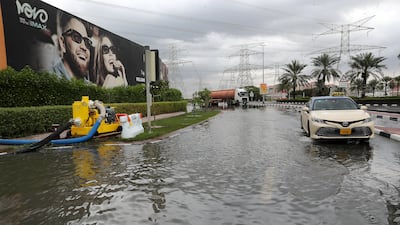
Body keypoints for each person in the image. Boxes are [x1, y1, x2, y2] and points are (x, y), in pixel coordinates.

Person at [52, 13, 92, 81]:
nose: (84, 47)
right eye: (76, 37)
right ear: (63, 43)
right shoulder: (49, 78)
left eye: (87, 42)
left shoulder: (90, 88)